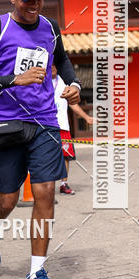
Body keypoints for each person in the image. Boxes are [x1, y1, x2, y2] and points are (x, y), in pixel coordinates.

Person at [0, 0, 81, 279]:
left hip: (45, 121)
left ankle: (36, 272)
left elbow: (62, 62)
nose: (34, 5)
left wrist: (73, 84)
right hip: (5, 125)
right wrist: (12, 80)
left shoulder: (50, 28)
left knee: (45, 192)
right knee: (7, 201)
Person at [52, 64, 93, 195]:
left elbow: (73, 104)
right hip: (47, 126)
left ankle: (64, 184)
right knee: (47, 157)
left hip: (63, 126)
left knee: (66, 156)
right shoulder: (42, 81)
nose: (52, 67)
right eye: (50, 65)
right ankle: (46, 186)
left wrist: (86, 117)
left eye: (54, 65)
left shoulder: (65, 82)